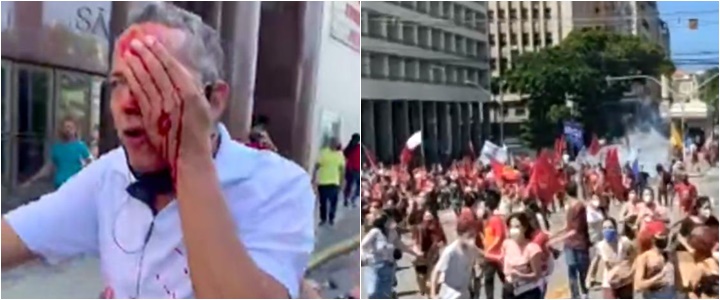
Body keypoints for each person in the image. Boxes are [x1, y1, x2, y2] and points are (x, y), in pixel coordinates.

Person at [1, 4, 315, 298]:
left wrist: (189, 157)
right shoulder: (109, 175)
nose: (128, 103)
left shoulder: (278, 185)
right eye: (119, 83)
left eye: (155, 82)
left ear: (214, 101)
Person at [21, 116, 93, 189]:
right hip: (59, 186)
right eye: (66, 127)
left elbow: (91, 165)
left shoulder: (81, 147)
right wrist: (32, 180)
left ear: (75, 130)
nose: (68, 130)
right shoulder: (57, 148)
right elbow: (48, 168)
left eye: (71, 127)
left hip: (75, 186)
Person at [361, 213, 418, 299]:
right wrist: (364, 257)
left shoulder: (393, 233)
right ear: (384, 223)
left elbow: (401, 245)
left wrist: (415, 254)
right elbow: (363, 245)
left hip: (388, 266)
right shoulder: (375, 232)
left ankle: (391, 295)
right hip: (374, 266)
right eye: (389, 220)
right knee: (372, 292)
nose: (392, 222)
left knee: (385, 292)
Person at [551, 184, 591, 299]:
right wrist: (554, 234)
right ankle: (576, 295)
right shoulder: (571, 207)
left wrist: (557, 239)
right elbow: (567, 226)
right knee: (573, 271)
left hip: (579, 244)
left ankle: (583, 294)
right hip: (572, 244)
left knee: (581, 271)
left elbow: (575, 229)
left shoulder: (579, 207)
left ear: (567, 193)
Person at [429, 217, 479, 299]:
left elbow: (480, 257)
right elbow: (436, 271)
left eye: (474, 235)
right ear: (460, 235)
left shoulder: (472, 248)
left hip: (464, 293)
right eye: (469, 236)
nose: (472, 240)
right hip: (450, 294)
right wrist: (433, 294)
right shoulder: (450, 252)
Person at [585, 218, 635, 299]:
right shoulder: (600, 246)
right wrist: (590, 277)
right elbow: (595, 262)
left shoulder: (624, 242)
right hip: (609, 281)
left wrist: (631, 271)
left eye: (610, 227)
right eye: (604, 228)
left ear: (615, 229)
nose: (607, 230)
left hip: (625, 280)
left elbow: (634, 256)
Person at [501, 213, 544, 299]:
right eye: (511, 227)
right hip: (510, 290)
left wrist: (520, 275)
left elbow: (537, 275)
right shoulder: (506, 244)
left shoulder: (532, 248)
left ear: (524, 228)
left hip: (528, 292)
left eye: (517, 226)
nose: (513, 230)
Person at [411, 209, 446, 297]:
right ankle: (423, 289)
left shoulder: (437, 227)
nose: (429, 220)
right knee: (422, 277)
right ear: (423, 218)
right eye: (426, 217)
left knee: (431, 278)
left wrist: (439, 245)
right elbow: (415, 242)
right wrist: (416, 251)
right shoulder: (418, 228)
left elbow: (443, 240)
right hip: (421, 256)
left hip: (433, 256)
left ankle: (430, 295)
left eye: (430, 217)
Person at [633, 228, 676, 298]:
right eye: (660, 235)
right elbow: (638, 285)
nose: (663, 238)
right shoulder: (644, 257)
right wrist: (657, 278)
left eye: (665, 235)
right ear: (653, 239)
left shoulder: (670, 255)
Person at [314, 137, 346, 226]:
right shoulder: (323, 153)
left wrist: (342, 182)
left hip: (334, 182)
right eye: (334, 143)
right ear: (330, 143)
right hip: (323, 182)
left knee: (333, 202)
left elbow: (342, 170)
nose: (335, 145)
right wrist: (314, 179)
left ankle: (331, 218)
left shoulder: (340, 155)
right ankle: (323, 218)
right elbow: (317, 166)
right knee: (322, 202)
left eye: (336, 143)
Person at [482, 191, 507, 299]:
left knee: (505, 279)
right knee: (488, 280)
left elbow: (499, 237)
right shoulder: (488, 220)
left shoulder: (496, 220)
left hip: (498, 255)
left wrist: (489, 248)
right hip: (490, 257)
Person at [343, 133, 361, 207]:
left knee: (349, 185)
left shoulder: (349, 148)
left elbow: (345, 155)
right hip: (355, 169)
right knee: (357, 186)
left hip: (350, 169)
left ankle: (347, 199)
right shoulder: (358, 148)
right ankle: (353, 200)